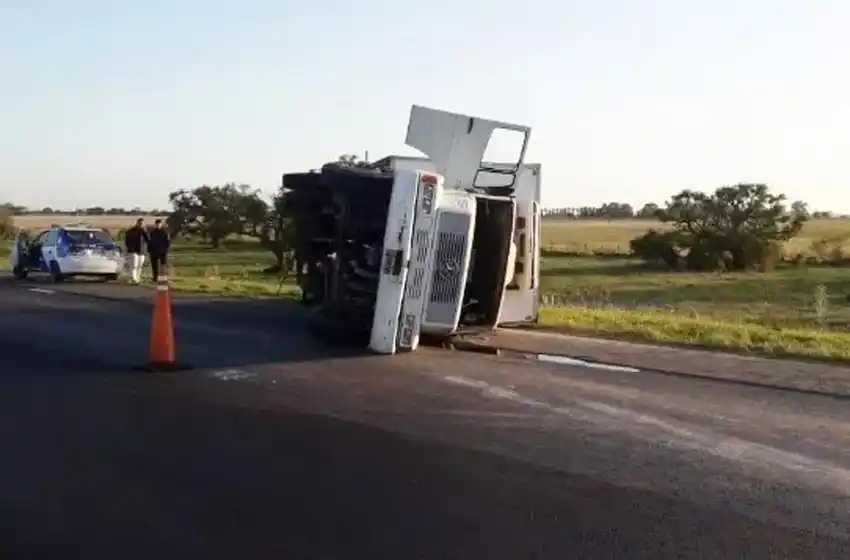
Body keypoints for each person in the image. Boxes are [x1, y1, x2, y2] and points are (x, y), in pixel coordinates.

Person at [123, 218, 150, 284]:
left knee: (139, 266)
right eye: (140, 223)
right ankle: (134, 278)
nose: (141, 225)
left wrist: (144, 231)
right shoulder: (131, 231)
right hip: (133, 251)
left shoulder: (143, 232)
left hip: (141, 251)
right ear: (137, 223)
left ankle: (137, 279)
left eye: (142, 224)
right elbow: (127, 241)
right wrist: (130, 248)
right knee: (134, 265)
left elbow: (148, 239)